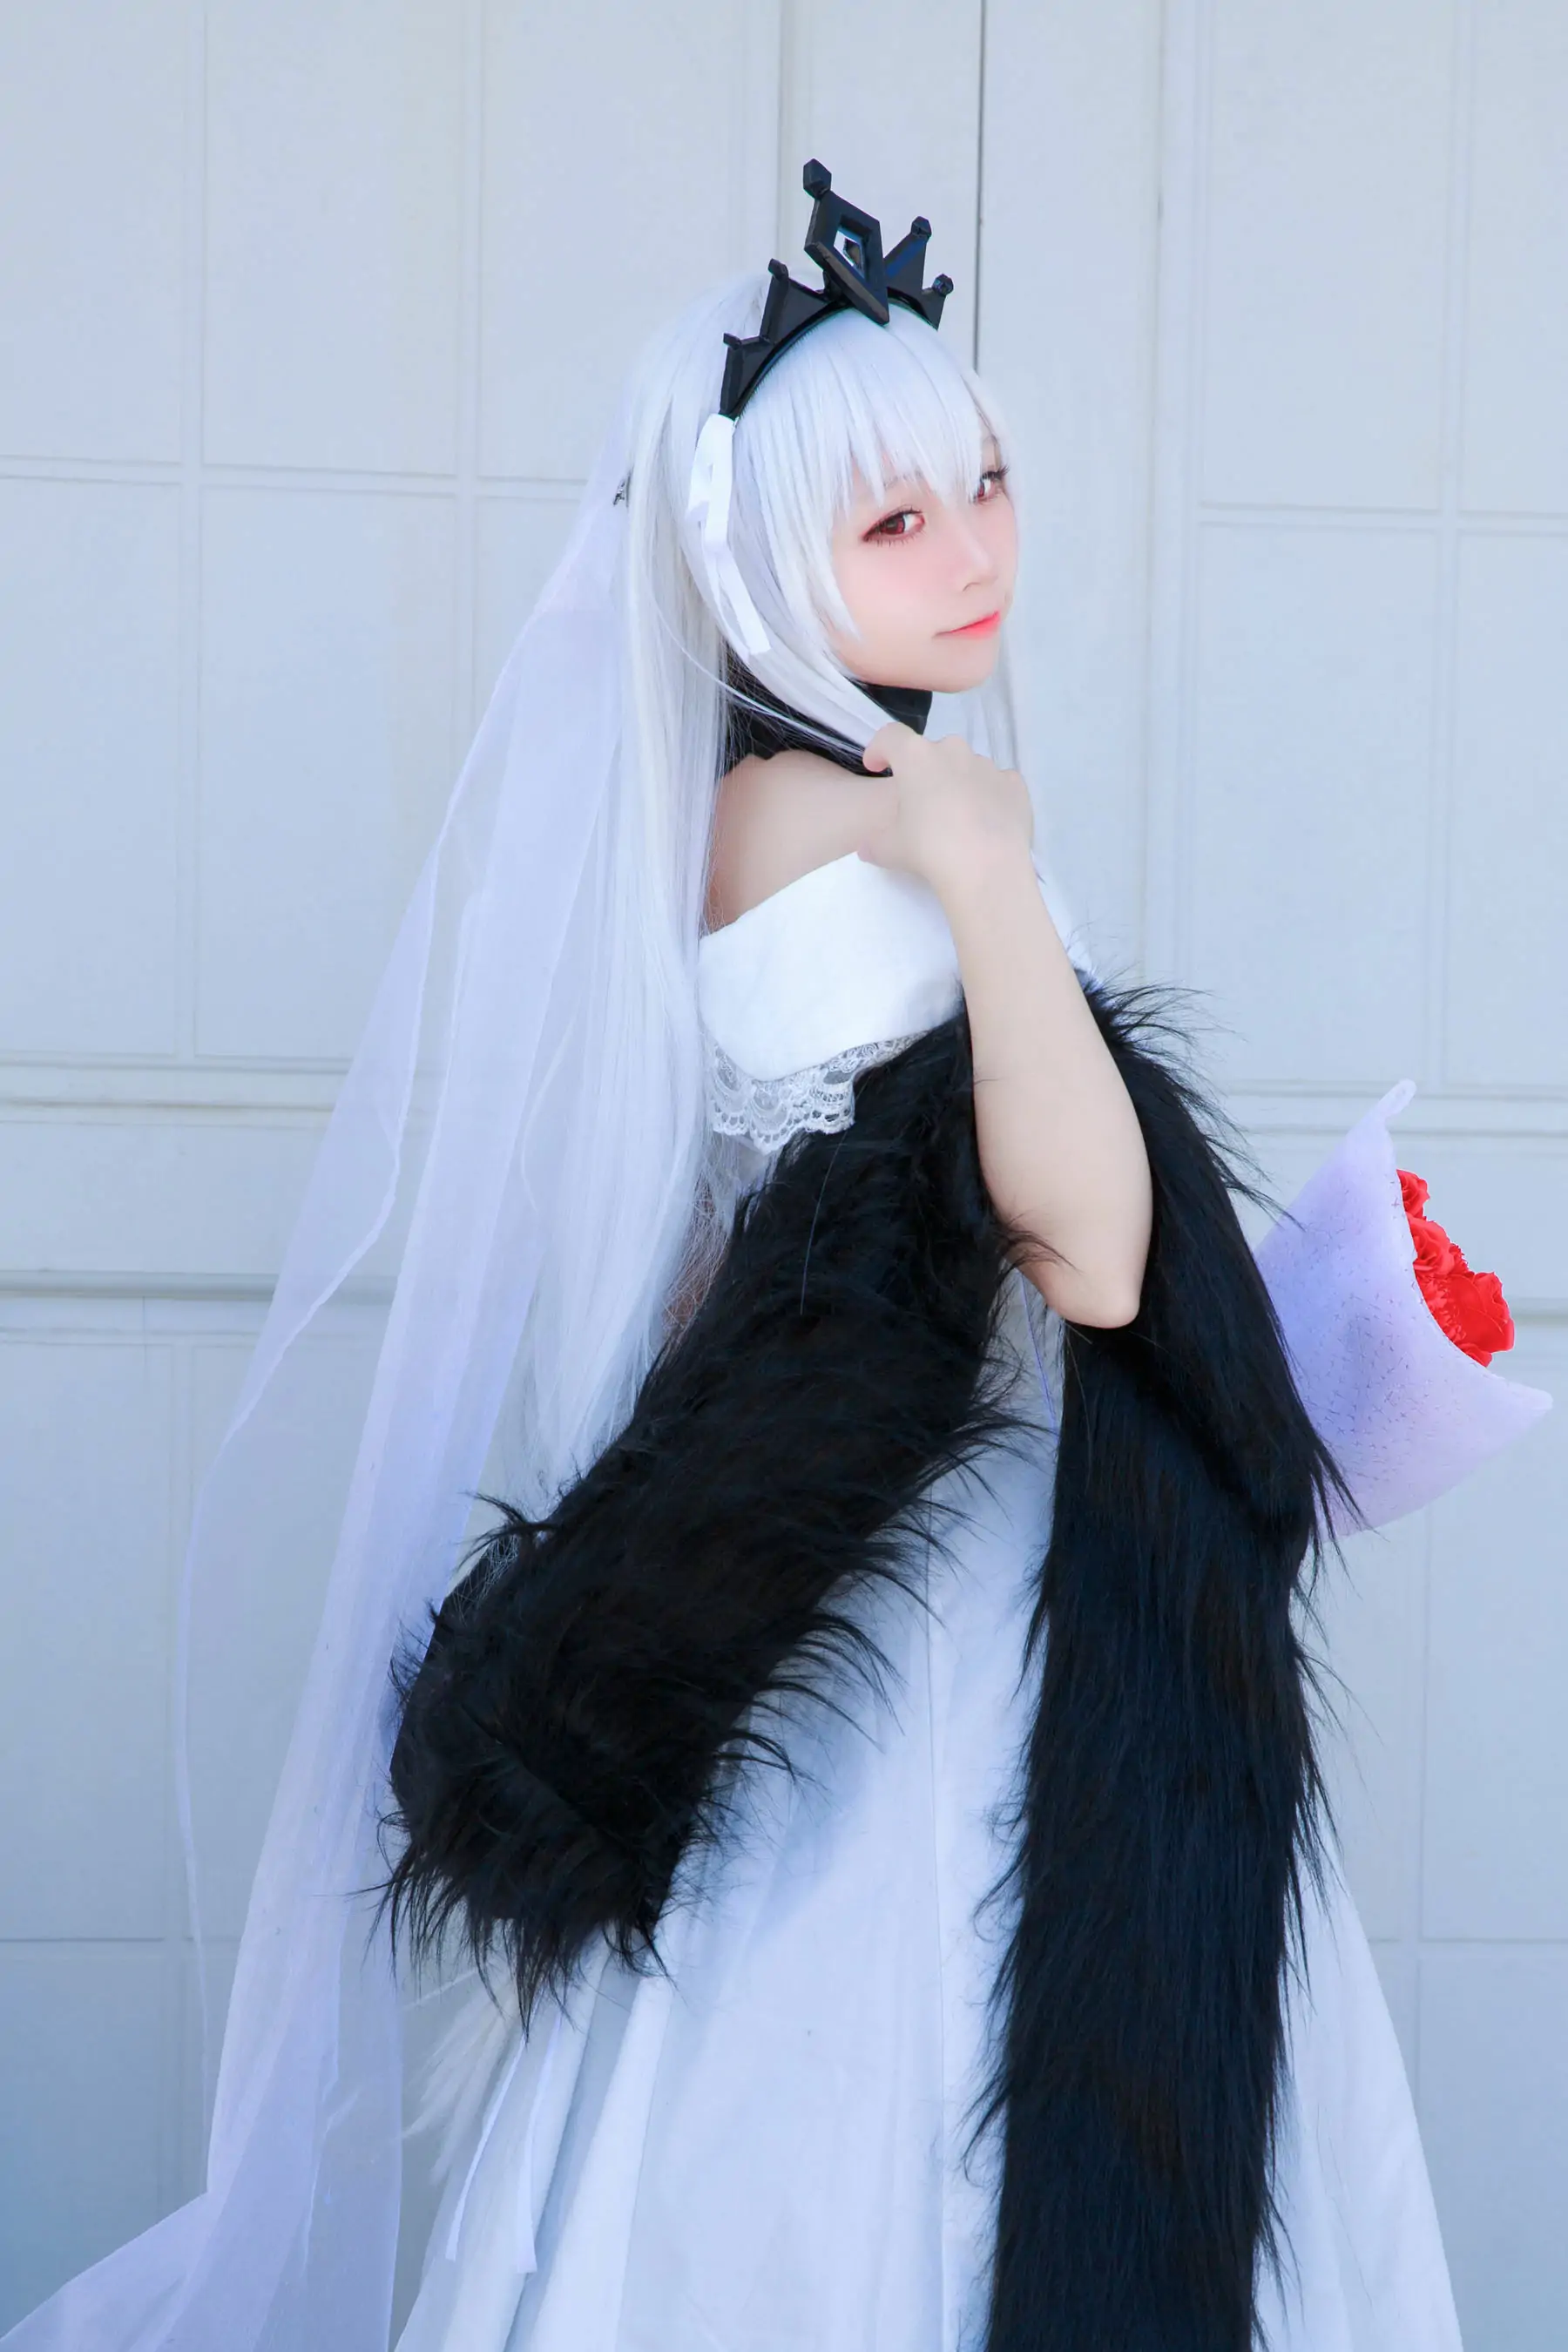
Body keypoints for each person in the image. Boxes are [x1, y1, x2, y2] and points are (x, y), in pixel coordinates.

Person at [7, 164, 1546, 2352]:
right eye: (896, 521)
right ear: (755, 562)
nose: (976, 549)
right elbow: (1094, 1247)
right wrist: (986, 873)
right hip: (939, 1588)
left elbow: (743, 1269)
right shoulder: (870, 819)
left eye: (984, 484)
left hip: (923, 1534)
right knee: (969, 2050)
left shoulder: (792, 798)